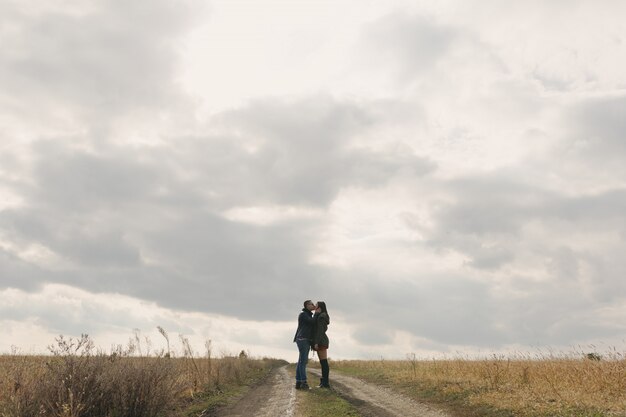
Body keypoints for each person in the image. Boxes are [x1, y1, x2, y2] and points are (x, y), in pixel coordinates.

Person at [293, 299, 316, 389]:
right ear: (307, 305)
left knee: (301, 361)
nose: (313, 305)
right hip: (303, 339)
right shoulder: (303, 314)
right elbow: (312, 322)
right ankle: (303, 383)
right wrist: (317, 312)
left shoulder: (307, 314)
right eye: (312, 304)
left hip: (303, 339)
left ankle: (299, 382)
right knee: (303, 362)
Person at [312, 301, 331, 388]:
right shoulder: (322, 315)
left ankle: (325, 383)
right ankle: (324, 382)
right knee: (323, 362)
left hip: (321, 341)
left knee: (324, 363)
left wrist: (316, 342)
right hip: (321, 340)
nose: (314, 306)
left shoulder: (322, 317)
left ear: (319, 307)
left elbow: (320, 331)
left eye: (316, 305)